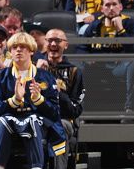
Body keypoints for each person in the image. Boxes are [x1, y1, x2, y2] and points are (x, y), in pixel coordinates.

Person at [0, 32, 66, 169]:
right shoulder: (0, 77)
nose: (18, 50)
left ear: (31, 51)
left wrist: (39, 99)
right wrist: (15, 100)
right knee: (2, 122)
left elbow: (55, 112)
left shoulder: (45, 76)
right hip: (9, 120)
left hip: (38, 121)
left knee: (32, 121)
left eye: (23, 46)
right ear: (10, 52)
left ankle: (36, 167)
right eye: (14, 47)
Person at [43, 29, 85, 169]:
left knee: (59, 127)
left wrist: (57, 90)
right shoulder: (33, 67)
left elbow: (75, 109)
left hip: (64, 119)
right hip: (37, 118)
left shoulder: (74, 71)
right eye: (49, 40)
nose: (53, 44)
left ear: (66, 45)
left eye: (58, 41)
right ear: (44, 43)